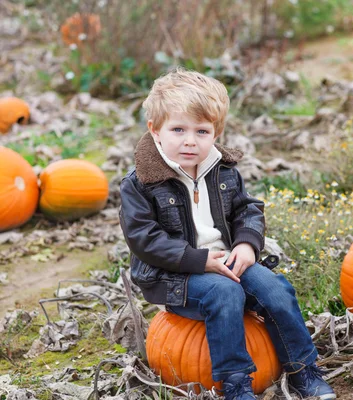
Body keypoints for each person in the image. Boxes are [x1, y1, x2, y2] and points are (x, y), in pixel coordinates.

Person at [118, 67, 336, 400]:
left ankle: (301, 369)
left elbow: (248, 210)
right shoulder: (140, 184)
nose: (191, 141)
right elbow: (145, 239)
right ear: (155, 130)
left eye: (202, 131)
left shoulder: (222, 170)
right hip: (173, 275)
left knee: (275, 289)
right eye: (178, 129)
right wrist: (199, 260)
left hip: (229, 259)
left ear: (215, 133)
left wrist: (248, 245)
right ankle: (235, 383)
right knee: (224, 294)